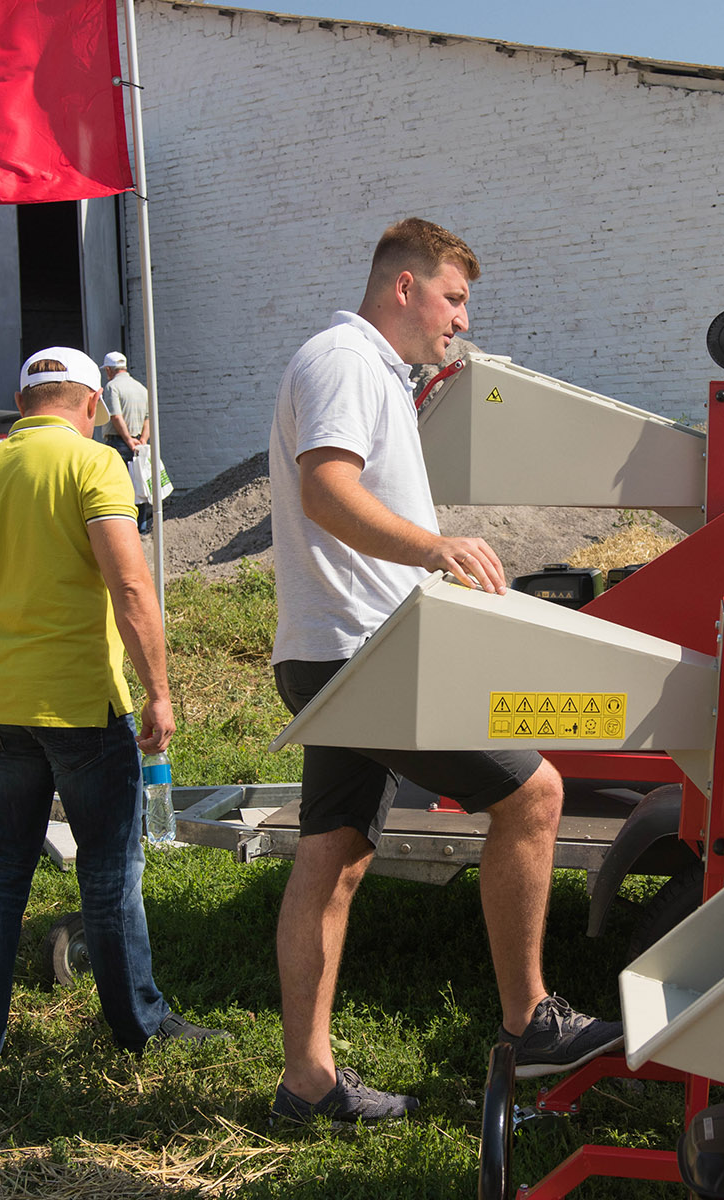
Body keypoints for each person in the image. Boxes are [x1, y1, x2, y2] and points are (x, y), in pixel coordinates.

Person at [266, 217, 621, 1126]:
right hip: (364, 651)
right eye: (453, 298)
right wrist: (436, 548)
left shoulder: (369, 369)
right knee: (536, 792)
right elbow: (326, 488)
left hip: (334, 651)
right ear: (403, 288)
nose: (461, 320)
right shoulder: (343, 359)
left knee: (332, 859)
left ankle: (307, 1085)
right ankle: (528, 1019)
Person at [0, 345, 224, 1070]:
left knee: (1, 869)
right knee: (109, 869)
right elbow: (130, 588)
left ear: (24, 403)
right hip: (83, 707)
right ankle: (139, 1027)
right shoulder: (95, 464)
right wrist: (158, 690)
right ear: (93, 405)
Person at [101, 351, 153, 532]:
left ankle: (125, 528)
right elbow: (149, 417)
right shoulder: (141, 388)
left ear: (109, 370)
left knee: (120, 486)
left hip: (119, 442)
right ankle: (142, 527)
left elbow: (116, 416)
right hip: (140, 443)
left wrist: (128, 440)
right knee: (140, 485)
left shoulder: (112, 387)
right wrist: (142, 440)